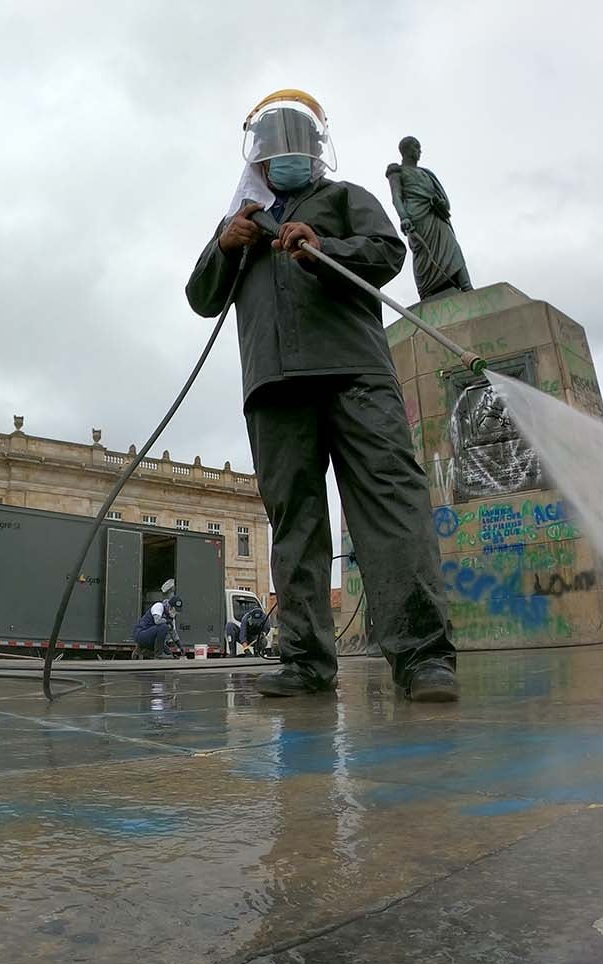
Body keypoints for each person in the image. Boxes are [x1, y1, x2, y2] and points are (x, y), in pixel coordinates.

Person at [186, 89, 458, 701]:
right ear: (259, 158)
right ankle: (306, 662)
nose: (288, 156)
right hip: (274, 385)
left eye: (299, 145)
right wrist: (224, 246)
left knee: (391, 507)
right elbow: (202, 298)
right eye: (276, 147)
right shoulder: (242, 221)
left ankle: (423, 659)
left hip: (355, 373)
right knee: (295, 524)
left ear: (315, 151)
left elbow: (389, 252)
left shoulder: (345, 198)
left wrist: (325, 246)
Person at [386, 135, 472, 299]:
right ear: (406, 150)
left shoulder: (426, 173)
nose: (419, 151)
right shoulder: (397, 171)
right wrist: (403, 217)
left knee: (452, 248)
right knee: (424, 254)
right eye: (416, 147)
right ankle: (426, 293)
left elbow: (442, 197)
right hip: (417, 218)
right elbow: (396, 197)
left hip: (436, 216)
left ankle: (466, 286)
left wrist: (439, 202)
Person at [133, 593, 182, 658]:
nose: (175, 613)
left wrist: (180, 646)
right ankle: (158, 654)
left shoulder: (171, 617)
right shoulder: (159, 606)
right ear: (170, 607)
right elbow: (157, 621)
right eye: (175, 610)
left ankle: (140, 650)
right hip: (141, 634)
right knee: (164, 627)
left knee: (169, 654)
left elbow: (173, 632)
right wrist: (167, 621)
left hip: (150, 636)